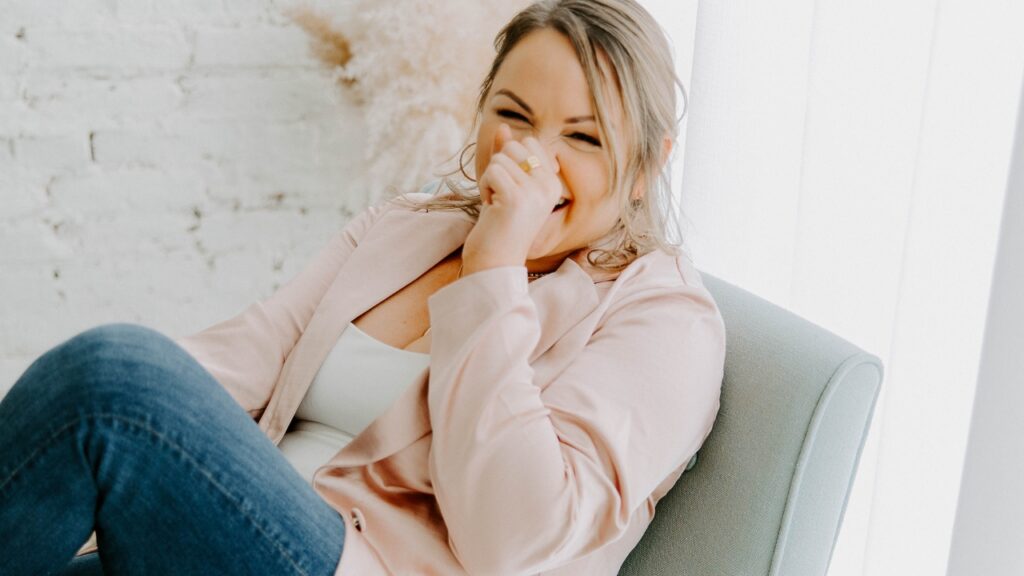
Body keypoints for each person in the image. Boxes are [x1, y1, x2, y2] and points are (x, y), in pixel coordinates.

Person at [0, 0, 726, 574]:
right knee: (123, 391)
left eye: (585, 137)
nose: (534, 157)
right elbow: (243, 359)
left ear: (648, 164)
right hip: (237, 536)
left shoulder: (665, 319)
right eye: (512, 115)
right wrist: (153, 437)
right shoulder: (408, 225)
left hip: (358, 564)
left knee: (113, 379)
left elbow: (510, 537)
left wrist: (496, 268)